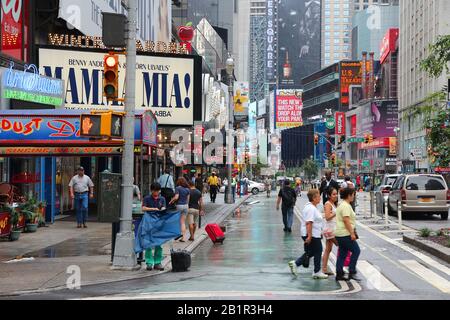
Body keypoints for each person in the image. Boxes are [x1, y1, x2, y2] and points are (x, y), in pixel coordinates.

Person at [288, 189, 328, 279]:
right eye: (318, 196)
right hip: (311, 234)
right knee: (318, 251)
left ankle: (296, 263)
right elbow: (309, 223)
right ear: (314, 198)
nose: (320, 198)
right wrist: (309, 236)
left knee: (312, 251)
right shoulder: (310, 208)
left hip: (314, 233)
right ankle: (316, 271)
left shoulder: (312, 207)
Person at [335, 188, 361, 282]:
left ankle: (339, 273)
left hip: (339, 233)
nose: (354, 197)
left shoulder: (342, 204)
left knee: (342, 253)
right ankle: (352, 271)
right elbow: (346, 220)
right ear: (349, 195)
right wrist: (352, 233)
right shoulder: (346, 206)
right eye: (353, 195)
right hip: (345, 233)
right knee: (356, 251)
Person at [141, 183, 167, 271]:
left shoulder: (162, 198)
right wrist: (153, 209)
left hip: (159, 223)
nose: (157, 192)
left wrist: (163, 209)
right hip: (148, 223)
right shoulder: (147, 198)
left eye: (158, 191)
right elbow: (143, 208)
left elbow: (164, 207)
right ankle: (149, 263)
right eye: (155, 191)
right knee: (148, 243)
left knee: (158, 243)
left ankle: (157, 262)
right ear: (151, 190)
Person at [322, 187, 339, 276]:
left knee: (328, 249)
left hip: (331, 229)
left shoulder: (334, 204)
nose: (336, 196)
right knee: (341, 245)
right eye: (334, 194)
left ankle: (324, 269)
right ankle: (340, 268)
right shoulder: (328, 204)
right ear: (329, 195)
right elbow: (328, 217)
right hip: (330, 230)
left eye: (336, 194)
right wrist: (336, 212)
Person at [169, 177, 190, 242]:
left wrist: (171, 201)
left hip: (179, 205)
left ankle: (177, 235)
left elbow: (176, 197)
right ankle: (183, 238)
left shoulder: (178, 188)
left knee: (178, 221)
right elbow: (188, 199)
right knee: (183, 222)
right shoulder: (187, 189)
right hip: (186, 206)